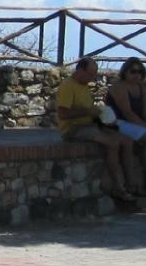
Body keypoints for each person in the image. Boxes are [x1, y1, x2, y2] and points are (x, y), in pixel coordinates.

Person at [55, 57, 137, 203]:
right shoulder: (68, 86)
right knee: (112, 143)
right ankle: (117, 186)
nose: (92, 78)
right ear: (80, 70)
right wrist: (87, 112)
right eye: (90, 74)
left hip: (89, 124)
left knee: (127, 140)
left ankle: (132, 183)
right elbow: (63, 113)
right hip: (73, 128)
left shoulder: (84, 86)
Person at [104, 60, 146, 197]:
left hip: (135, 122)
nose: (136, 75)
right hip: (118, 121)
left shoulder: (141, 88)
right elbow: (127, 112)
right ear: (125, 72)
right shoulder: (119, 86)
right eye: (133, 71)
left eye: (140, 72)